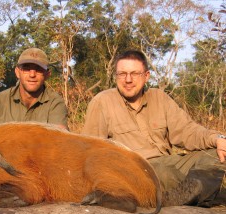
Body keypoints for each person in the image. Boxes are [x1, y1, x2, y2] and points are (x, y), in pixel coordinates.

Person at [82, 50, 226, 206]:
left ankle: (190, 192)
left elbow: (188, 131)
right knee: (165, 173)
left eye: (135, 73)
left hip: (169, 162)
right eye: (122, 74)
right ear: (116, 76)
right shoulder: (102, 102)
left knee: (216, 157)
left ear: (146, 76)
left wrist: (217, 139)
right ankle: (196, 192)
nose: (128, 80)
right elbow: (91, 151)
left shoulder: (160, 97)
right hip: (136, 169)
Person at [0, 48, 68, 130]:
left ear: (47, 74)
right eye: (26, 68)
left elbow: (58, 140)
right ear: (17, 72)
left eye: (38, 69)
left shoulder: (55, 103)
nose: (32, 75)